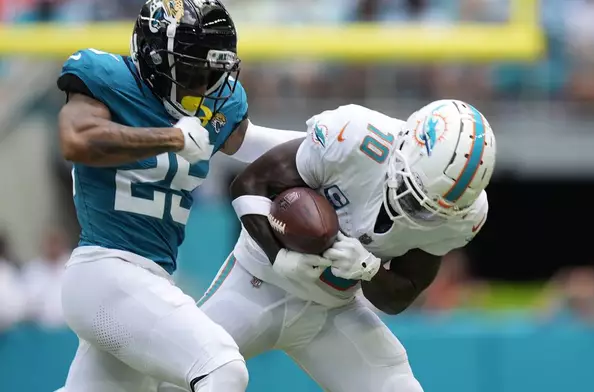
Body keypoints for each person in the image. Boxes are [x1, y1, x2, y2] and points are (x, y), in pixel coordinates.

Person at [160, 100, 496, 392]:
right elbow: (250, 183)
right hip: (257, 281)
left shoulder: (462, 218)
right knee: (178, 377)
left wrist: (370, 269)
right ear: (405, 146)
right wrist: (279, 256)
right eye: (413, 190)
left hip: (333, 309)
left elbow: (400, 296)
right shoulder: (356, 137)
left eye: (430, 208)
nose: (415, 211)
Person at [56, 1, 302, 391]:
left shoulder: (214, 105)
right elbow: (77, 140)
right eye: (192, 68)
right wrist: (169, 138)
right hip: (105, 269)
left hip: (149, 278)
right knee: (220, 367)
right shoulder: (107, 79)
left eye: (213, 70)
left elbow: (253, 143)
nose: (202, 84)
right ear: (153, 57)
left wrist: (337, 138)